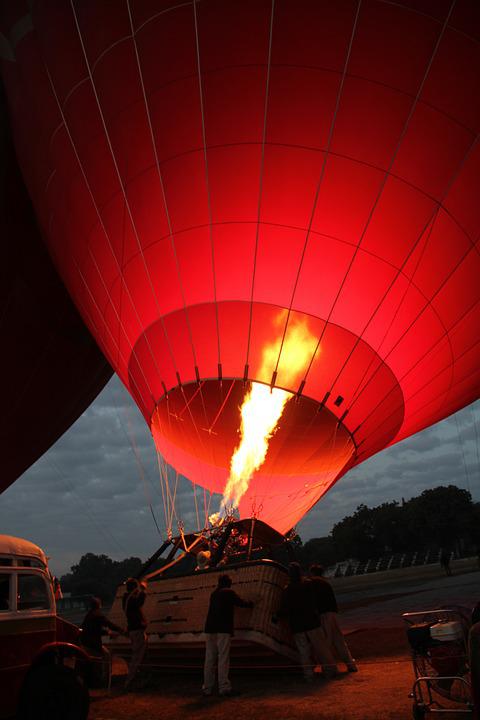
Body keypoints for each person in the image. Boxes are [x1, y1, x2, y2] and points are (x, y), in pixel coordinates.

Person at [277, 562, 337, 681]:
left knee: (303, 651)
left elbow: (284, 608)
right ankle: (330, 670)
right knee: (321, 647)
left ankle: (308, 674)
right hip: (312, 621)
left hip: (297, 624)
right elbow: (315, 601)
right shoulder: (308, 585)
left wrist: (278, 616)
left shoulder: (287, 590)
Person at [203, 574, 253, 696]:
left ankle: (207, 688)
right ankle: (224, 687)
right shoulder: (229, 592)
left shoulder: (214, 594)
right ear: (228, 582)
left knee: (209, 659)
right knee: (223, 658)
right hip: (223, 629)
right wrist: (252, 603)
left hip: (210, 629)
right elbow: (240, 603)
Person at [309, 564, 357, 673]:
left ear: (312, 573)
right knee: (339, 641)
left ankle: (330, 668)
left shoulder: (314, 583)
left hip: (324, 614)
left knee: (325, 642)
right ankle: (350, 664)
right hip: (333, 613)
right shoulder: (325, 583)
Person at [122, 577, 148, 689]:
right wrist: (143, 589)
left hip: (134, 630)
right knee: (137, 657)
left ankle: (144, 678)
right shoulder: (131, 599)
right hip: (137, 631)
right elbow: (139, 602)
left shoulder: (126, 599)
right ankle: (129, 682)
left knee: (142, 654)